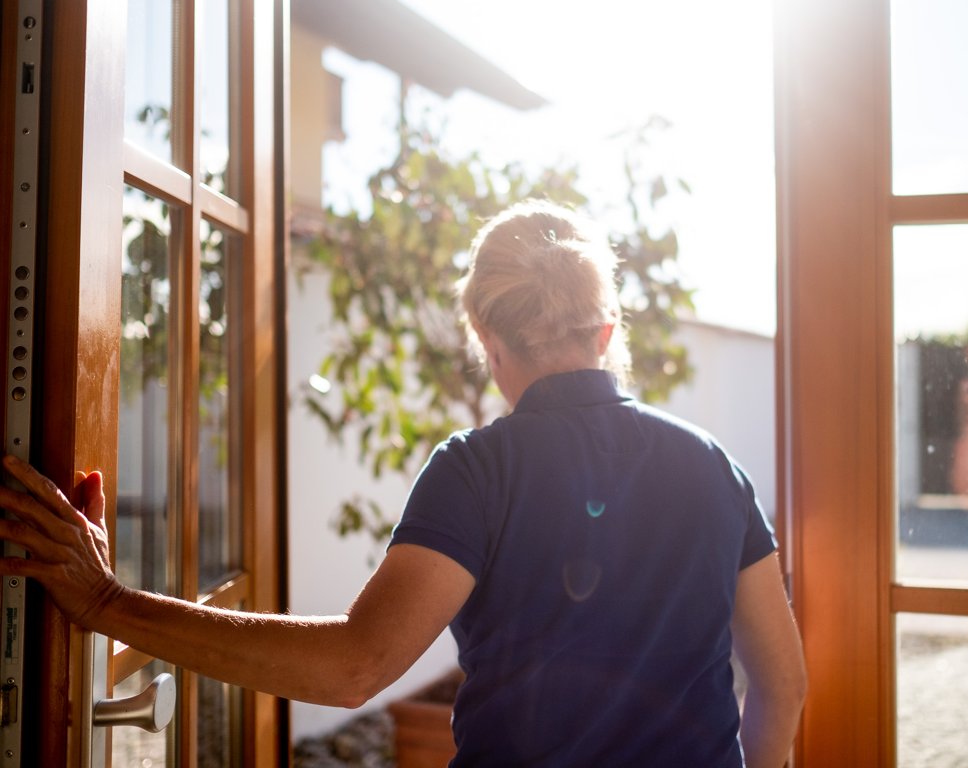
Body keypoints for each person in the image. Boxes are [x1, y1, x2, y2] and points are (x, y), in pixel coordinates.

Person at [0, 201, 806, 767]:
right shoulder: (715, 466)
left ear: (487, 341)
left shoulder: (479, 469)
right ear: (606, 333)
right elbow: (783, 683)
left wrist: (107, 603)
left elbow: (356, 667)